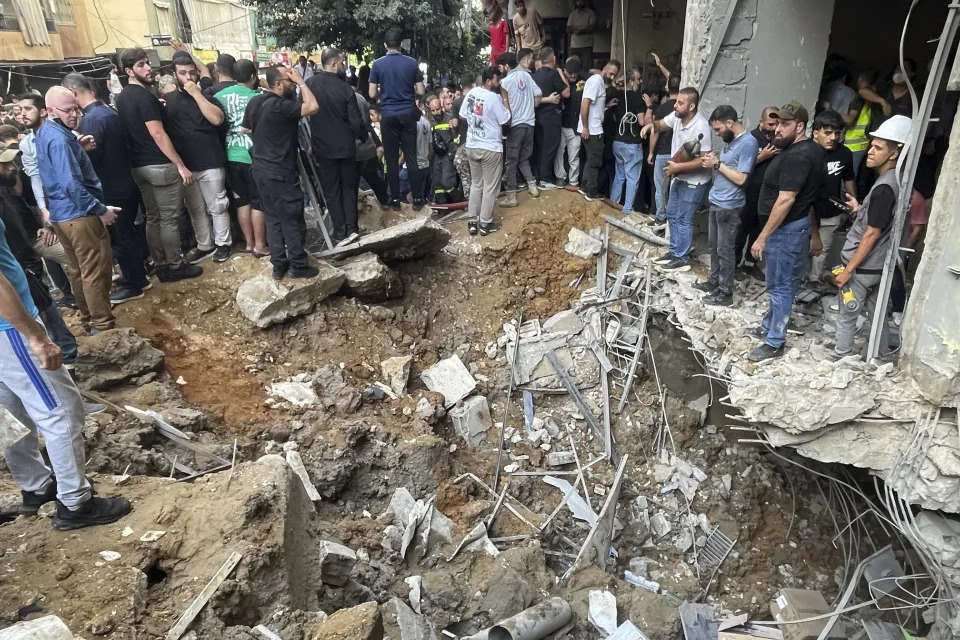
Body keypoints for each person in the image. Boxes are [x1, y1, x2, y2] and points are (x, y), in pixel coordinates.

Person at [0, 207, 131, 529]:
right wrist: (34, 335)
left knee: (12, 415)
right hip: (9, 332)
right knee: (62, 412)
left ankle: (37, 487)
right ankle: (75, 503)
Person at [35, 87, 120, 334]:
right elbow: (71, 184)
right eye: (67, 110)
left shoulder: (47, 133)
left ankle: (87, 320)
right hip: (78, 215)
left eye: (76, 109)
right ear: (50, 110)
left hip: (62, 216)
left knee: (78, 270)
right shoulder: (60, 139)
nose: (74, 115)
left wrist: (78, 149)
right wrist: (100, 209)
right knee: (95, 271)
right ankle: (103, 325)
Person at [116, 47, 202, 282]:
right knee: (168, 219)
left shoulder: (122, 97)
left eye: (147, 63)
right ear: (128, 71)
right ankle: (175, 265)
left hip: (138, 166)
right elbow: (158, 134)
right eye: (141, 65)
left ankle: (161, 262)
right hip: (160, 165)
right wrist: (180, 165)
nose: (148, 68)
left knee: (153, 217)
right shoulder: (144, 97)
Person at [62, 73, 150, 305]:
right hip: (124, 180)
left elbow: (90, 161)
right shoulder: (109, 112)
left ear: (73, 93)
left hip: (110, 187)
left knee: (121, 238)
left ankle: (134, 283)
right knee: (128, 233)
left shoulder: (92, 120)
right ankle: (138, 276)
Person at [747, 101, 824, 362]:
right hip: (793, 227)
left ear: (800, 126)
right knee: (783, 282)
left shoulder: (798, 156)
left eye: (785, 124)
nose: (778, 129)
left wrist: (762, 237)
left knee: (779, 285)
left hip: (786, 230)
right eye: (777, 123)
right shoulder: (805, 150)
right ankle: (768, 326)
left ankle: (774, 342)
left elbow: (786, 199)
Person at [833, 115, 911, 360]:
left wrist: (848, 270)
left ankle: (840, 356)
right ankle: (880, 355)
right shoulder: (895, 183)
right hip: (878, 266)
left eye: (878, 148)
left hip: (863, 268)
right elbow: (879, 220)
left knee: (848, 312)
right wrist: (860, 210)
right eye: (871, 145)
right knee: (878, 313)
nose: (870, 151)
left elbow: (872, 233)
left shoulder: (885, 187)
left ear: (894, 154)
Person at [0, 150, 78, 371]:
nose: (12, 167)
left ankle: (68, 364)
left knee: (51, 320)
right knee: (46, 331)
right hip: (21, 277)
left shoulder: (6, 193)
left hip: (28, 267)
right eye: (4, 164)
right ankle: (67, 368)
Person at [243, 64, 319, 280]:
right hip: (280, 171)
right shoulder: (280, 106)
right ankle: (298, 264)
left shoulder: (256, 102)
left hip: (260, 168)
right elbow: (312, 106)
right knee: (291, 218)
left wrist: (269, 136)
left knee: (273, 217)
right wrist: (303, 81)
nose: (294, 85)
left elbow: (246, 128)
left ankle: (279, 265)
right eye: (290, 82)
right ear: (278, 84)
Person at [163, 51, 232, 264]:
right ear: (175, 75)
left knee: (218, 206)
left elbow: (217, 119)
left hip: (210, 161)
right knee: (195, 209)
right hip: (186, 165)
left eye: (191, 73)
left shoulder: (208, 96)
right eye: (183, 73)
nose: (188, 77)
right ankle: (205, 244)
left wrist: (196, 94)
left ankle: (223, 244)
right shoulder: (169, 101)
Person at [640, 86, 713, 272]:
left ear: (691, 107)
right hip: (679, 176)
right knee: (672, 213)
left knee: (684, 218)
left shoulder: (701, 126)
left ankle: (682, 257)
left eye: (680, 103)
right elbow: (662, 124)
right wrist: (651, 126)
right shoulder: (677, 117)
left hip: (695, 181)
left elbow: (705, 160)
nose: (676, 105)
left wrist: (678, 167)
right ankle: (674, 252)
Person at [694, 105, 759, 306]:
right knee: (714, 246)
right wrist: (714, 162)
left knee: (725, 249)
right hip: (717, 201)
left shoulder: (748, 143)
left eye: (718, 129)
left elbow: (741, 178)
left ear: (730, 123)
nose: (717, 133)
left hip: (730, 206)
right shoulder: (731, 141)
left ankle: (725, 293)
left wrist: (717, 164)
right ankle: (714, 281)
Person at [11, 94, 74, 302]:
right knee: (74, 259)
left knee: (78, 258)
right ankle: (75, 300)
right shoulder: (27, 145)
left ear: (44, 111)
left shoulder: (58, 136)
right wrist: (44, 211)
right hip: (43, 219)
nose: (21, 114)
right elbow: (37, 181)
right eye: (19, 110)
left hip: (64, 208)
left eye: (27, 109)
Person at [306, 47, 368, 245]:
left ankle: (340, 232)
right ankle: (352, 229)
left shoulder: (310, 85)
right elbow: (356, 122)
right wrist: (363, 137)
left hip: (322, 148)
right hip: (345, 147)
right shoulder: (345, 89)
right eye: (341, 63)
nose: (343, 66)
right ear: (333, 64)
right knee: (349, 189)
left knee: (331, 191)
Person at [369, 28, 427, 211]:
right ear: (401, 44)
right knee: (411, 157)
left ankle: (394, 199)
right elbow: (421, 91)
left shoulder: (377, 65)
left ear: (385, 45)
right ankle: (418, 198)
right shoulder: (411, 63)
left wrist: (384, 93)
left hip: (388, 115)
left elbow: (371, 93)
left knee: (392, 158)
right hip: (408, 114)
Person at [215, 59, 268, 257]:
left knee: (242, 202)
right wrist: (265, 84)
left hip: (230, 154)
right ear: (253, 77)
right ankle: (260, 245)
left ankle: (248, 243)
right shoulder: (257, 97)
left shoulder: (218, 96)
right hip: (252, 154)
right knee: (258, 202)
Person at [459, 66, 511, 237]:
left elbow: (463, 115)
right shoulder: (494, 98)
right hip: (490, 148)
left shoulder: (471, 94)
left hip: (472, 145)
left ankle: (472, 222)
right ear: (489, 81)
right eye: (497, 79)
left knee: (476, 184)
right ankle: (485, 224)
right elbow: (506, 119)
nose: (499, 82)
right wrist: (504, 97)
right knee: (490, 187)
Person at [808, 109, 856, 283]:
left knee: (821, 252)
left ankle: (813, 283)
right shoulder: (807, 152)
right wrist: (814, 234)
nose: (833, 137)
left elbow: (849, 178)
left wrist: (852, 203)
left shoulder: (845, 153)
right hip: (804, 213)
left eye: (837, 133)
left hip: (830, 213)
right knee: (799, 250)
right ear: (816, 133)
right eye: (828, 133)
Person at [499, 50, 550, 207]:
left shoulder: (506, 81)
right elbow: (539, 93)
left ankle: (511, 196)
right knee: (524, 158)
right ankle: (533, 187)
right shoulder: (528, 77)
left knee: (511, 161)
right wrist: (532, 104)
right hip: (530, 125)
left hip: (516, 126)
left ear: (508, 66)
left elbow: (504, 103)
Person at [734, 106, 779, 272]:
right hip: (748, 193)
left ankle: (750, 264)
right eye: (770, 124)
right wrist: (762, 156)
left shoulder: (779, 140)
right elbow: (739, 167)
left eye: (777, 124)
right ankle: (734, 264)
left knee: (758, 230)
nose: (774, 128)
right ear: (761, 122)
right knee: (741, 230)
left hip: (767, 195)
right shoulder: (750, 139)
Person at [579, 59, 621, 201]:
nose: (612, 77)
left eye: (614, 75)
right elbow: (585, 104)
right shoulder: (596, 81)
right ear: (604, 68)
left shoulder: (597, 82)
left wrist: (607, 105)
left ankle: (585, 187)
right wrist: (586, 127)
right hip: (592, 129)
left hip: (591, 127)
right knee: (595, 161)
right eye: (610, 74)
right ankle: (591, 192)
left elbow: (594, 107)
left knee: (591, 159)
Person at [610, 70, 648, 215]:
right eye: (638, 79)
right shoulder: (637, 98)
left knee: (619, 176)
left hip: (618, 141)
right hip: (632, 144)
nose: (640, 82)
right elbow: (642, 121)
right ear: (631, 81)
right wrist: (649, 107)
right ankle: (627, 210)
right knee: (632, 178)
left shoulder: (617, 96)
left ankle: (613, 205)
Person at [531, 47, 569, 190]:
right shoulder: (554, 75)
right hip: (551, 116)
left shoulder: (534, 76)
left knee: (540, 146)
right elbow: (566, 93)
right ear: (553, 58)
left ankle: (537, 176)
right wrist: (560, 73)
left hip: (537, 116)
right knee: (551, 146)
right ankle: (545, 178)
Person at [648, 75, 679, 223]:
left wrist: (650, 152)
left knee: (660, 187)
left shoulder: (661, 109)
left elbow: (655, 132)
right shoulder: (682, 110)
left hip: (662, 152)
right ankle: (672, 218)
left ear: (667, 87)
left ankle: (661, 217)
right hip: (678, 155)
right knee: (674, 188)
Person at [354, 79, 389, 210]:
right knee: (374, 180)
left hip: (357, 151)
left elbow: (366, 125)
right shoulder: (361, 99)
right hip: (367, 150)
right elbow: (367, 124)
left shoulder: (352, 100)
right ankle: (385, 203)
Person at [555, 59, 584, 188]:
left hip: (576, 126)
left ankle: (573, 181)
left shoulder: (584, 83)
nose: (573, 75)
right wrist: (561, 74)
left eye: (575, 73)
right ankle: (560, 177)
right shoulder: (559, 82)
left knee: (574, 156)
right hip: (561, 124)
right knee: (559, 153)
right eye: (570, 73)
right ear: (565, 72)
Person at [427, 95, 458, 203]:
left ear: (441, 107)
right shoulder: (431, 123)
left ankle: (458, 201)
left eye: (438, 109)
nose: (436, 112)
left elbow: (455, 138)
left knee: (447, 181)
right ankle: (442, 207)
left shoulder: (449, 119)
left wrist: (454, 155)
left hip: (448, 155)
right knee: (437, 184)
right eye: (433, 111)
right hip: (436, 157)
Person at [451, 73, 475, 199]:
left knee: (465, 174)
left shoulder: (457, 102)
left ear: (461, 86)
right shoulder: (477, 99)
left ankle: (468, 200)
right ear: (473, 84)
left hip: (463, 141)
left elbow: (455, 123)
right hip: (477, 141)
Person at [567, 0, 597, 67]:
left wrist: (581, 31)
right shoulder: (573, 14)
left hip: (586, 45)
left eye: (581, 1)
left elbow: (592, 28)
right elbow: (568, 28)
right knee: (573, 64)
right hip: (574, 45)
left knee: (586, 65)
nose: (579, 3)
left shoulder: (591, 13)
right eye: (578, 1)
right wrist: (573, 29)